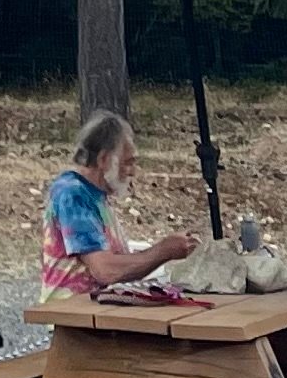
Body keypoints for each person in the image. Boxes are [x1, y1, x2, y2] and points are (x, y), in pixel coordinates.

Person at [42, 110, 197, 297]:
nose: (133, 172)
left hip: (97, 314)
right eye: (128, 162)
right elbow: (106, 270)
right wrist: (163, 251)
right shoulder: (72, 194)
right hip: (74, 318)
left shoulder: (94, 195)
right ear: (103, 159)